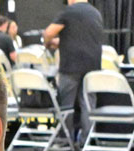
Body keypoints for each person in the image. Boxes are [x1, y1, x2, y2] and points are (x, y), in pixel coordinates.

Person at [43, 0, 104, 141]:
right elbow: (80, 39)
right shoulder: (95, 13)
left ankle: (66, 138)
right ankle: (88, 139)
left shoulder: (68, 12)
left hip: (71, 65)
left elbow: (49, 33)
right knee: (88, 103)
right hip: (93, 66)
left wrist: (47, 43)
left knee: (67, 104)